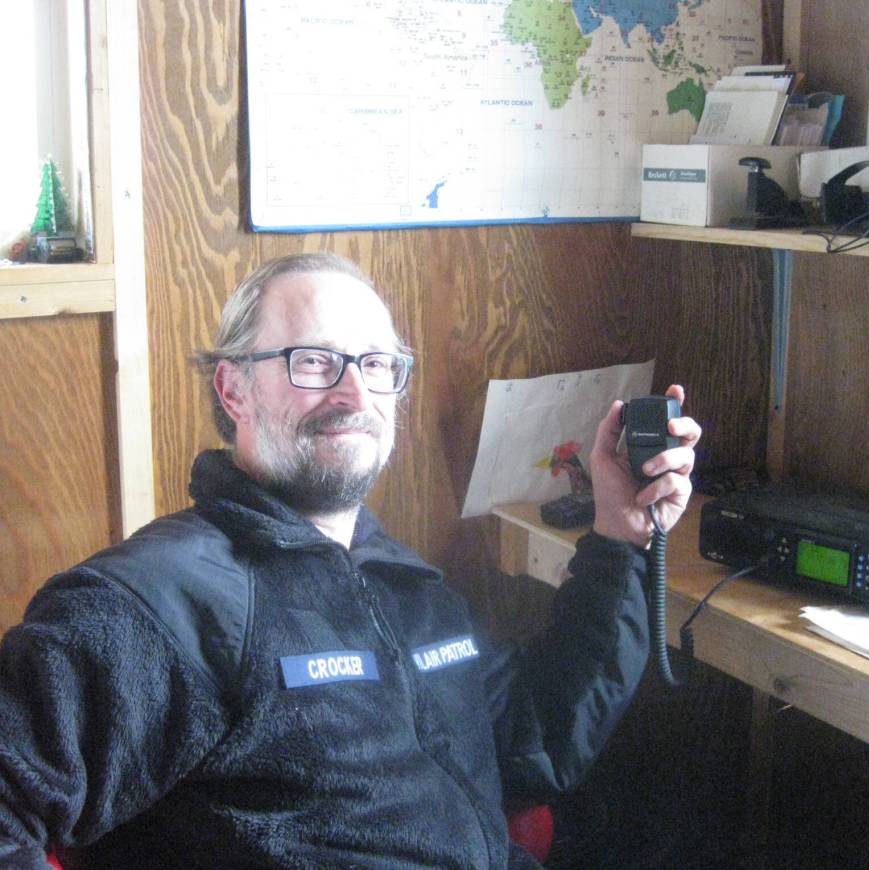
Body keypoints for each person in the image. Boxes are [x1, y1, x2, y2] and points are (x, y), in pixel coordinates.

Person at [0, 252, 701, 869]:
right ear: (232, 389)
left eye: (375, 364)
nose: (354, 394)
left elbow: (536, 743)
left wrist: (618, 535)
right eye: (313, 361)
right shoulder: (156, 603)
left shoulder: (410, 590)